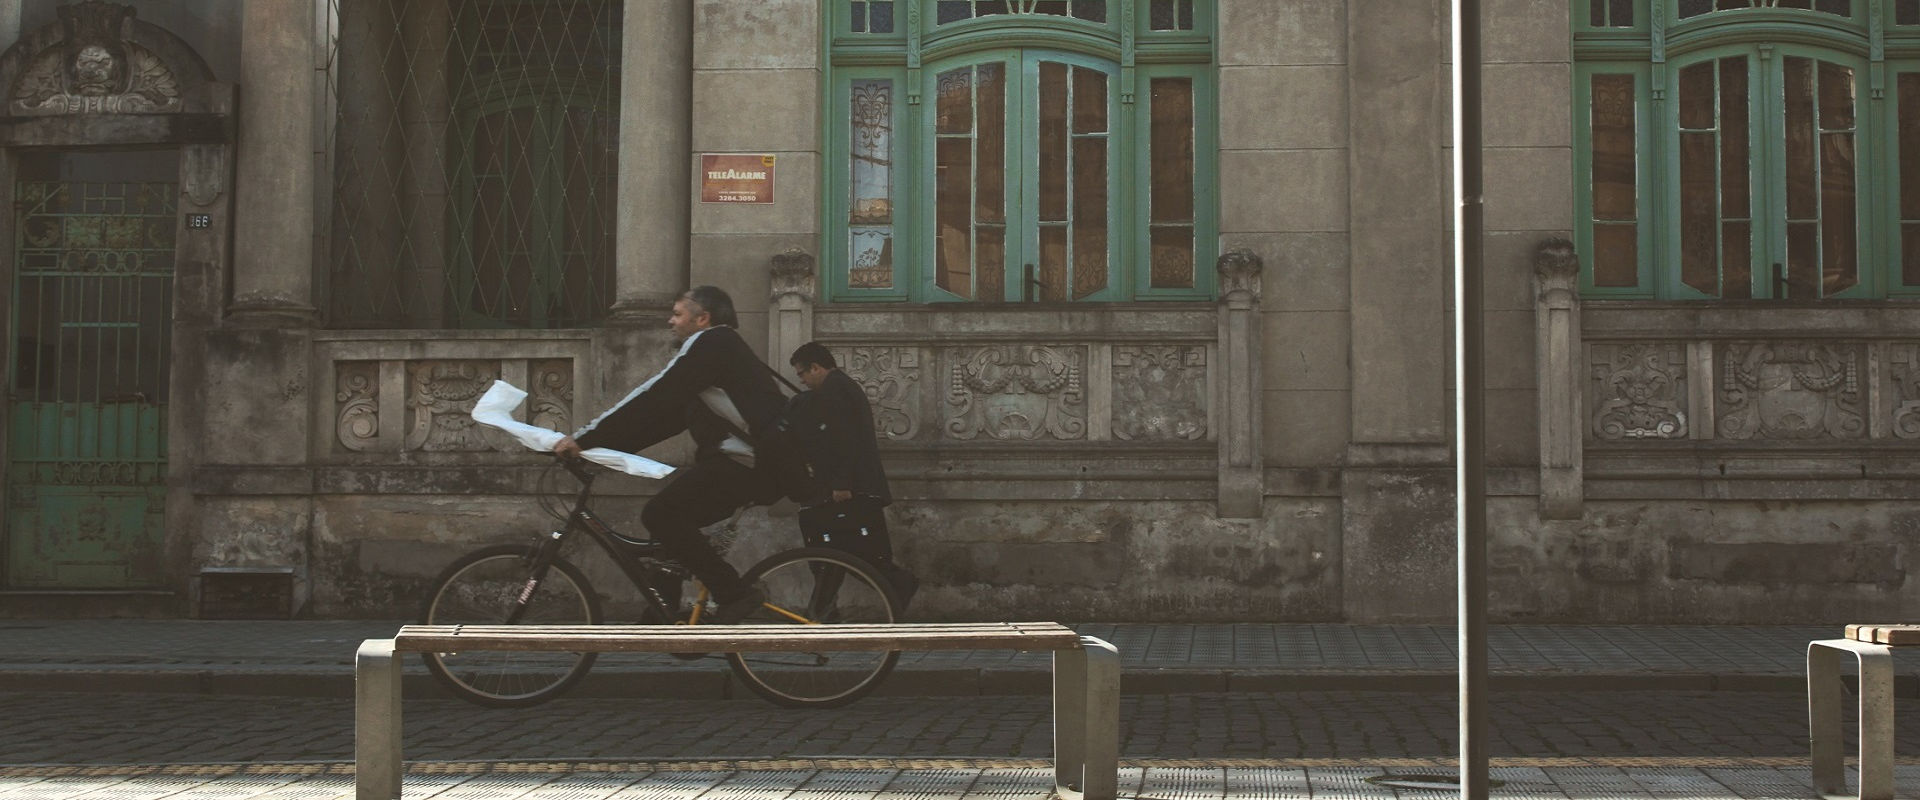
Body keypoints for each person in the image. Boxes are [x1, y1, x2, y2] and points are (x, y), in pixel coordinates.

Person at [554, 286, 778, 624]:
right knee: (671, 526)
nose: (670, 321)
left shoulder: (713, 343)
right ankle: (663, 616)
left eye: (677, 314)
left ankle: (734, 594)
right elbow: (665, 421)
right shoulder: (716, 352)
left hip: (747, 463)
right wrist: (599, 452)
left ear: (702, 318)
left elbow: (653, 395)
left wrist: (583, 438)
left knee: (661, 514)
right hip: (746, 464)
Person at [789, 342, 916, 606]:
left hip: (852, 490)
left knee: (846, 554)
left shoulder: (835, 389)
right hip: (857, 488)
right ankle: (823, 611)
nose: (801, 380)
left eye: (802, 373)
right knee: (837, 553)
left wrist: (841, 483)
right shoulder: (839, 387)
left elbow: (845, 438)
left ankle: (898, 585)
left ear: (816, 367)